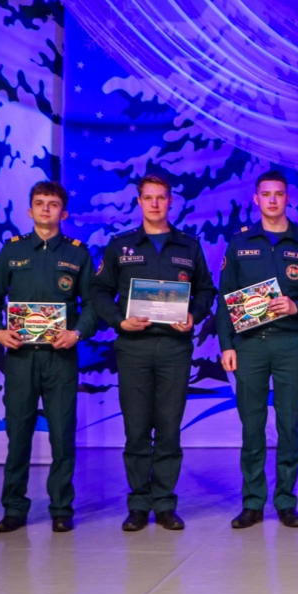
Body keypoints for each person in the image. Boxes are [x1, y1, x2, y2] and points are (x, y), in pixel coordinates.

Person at [91, 174, 216, 532]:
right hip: (134, 348)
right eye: (149, 198)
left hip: (175, 349)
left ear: (171, 201)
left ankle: (164, 504)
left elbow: (206, 291)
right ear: (139, 202)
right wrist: (119, 321)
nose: (155, 204)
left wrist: (193, 315)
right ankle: (137, 504)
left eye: (161, 197)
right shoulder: (121, 246)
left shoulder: (189, 246)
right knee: (136, 430)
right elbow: (99, 291)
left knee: (169, 430)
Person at [217, 171, 298, 529]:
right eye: (265, 194)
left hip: (289, 344)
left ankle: (286, 501)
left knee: (289, 425)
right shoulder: (240, 242)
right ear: (256, 199)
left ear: (287, 199)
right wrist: (226, 345)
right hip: (249, 345)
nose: (272, 200)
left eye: (278, 194)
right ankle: (252, 502)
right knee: (252, 426)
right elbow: (225, 298)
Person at [0, 181, 97, 534]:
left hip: (60, 358)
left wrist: (77, 333)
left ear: (64, 212)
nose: (46, 208)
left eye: (53, 203)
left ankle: (61, 508)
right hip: (21, 358)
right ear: (30, 210)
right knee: (18, 435)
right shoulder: (12, 250)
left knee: (62, 436)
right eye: (40, 203)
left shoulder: (78, 254)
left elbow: (94, 305)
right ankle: (14, 508)